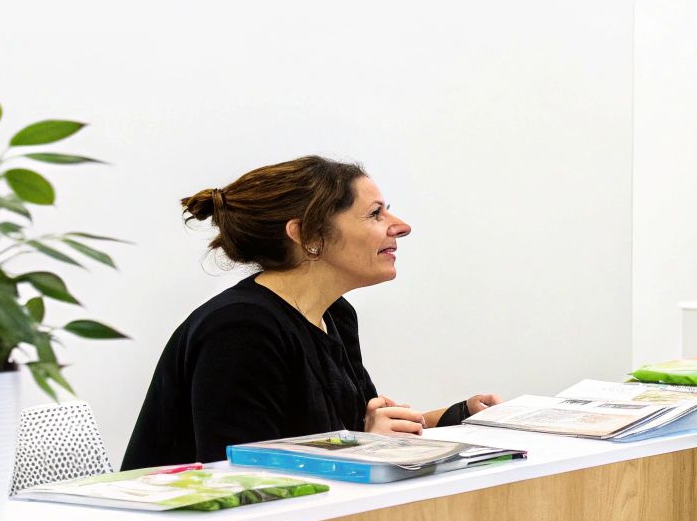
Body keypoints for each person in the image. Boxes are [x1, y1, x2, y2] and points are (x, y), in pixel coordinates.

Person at [122, 155, 499, 468]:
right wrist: (366, 446)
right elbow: (241, 471)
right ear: (308, 236)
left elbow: (352, 429)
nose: (401, 227)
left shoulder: (335, 314)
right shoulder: (239, 329)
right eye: (375, 214)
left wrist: (458, 416)